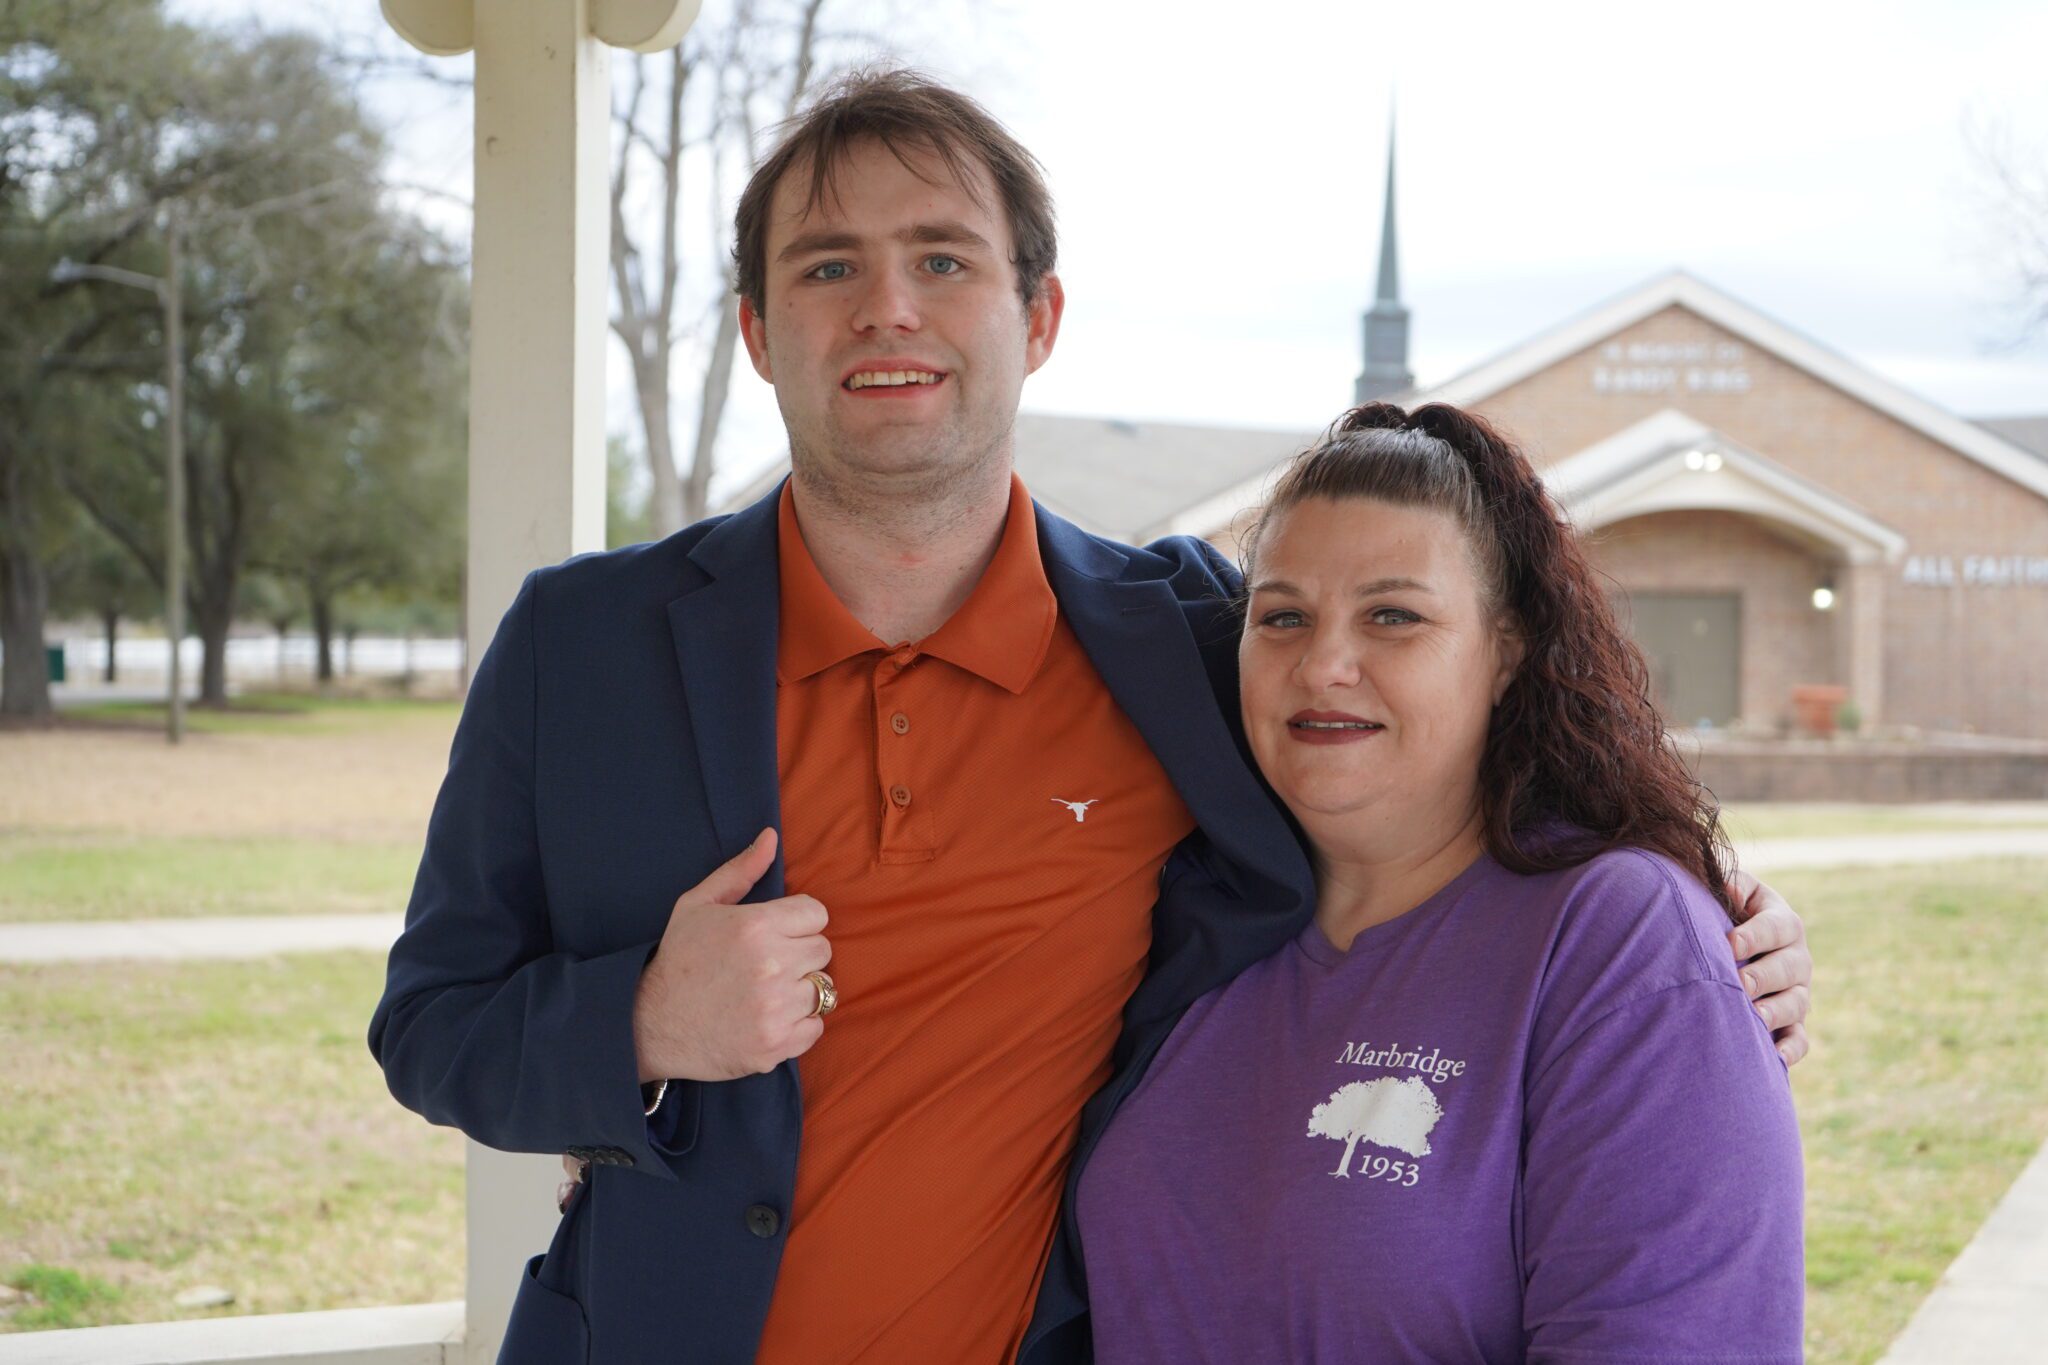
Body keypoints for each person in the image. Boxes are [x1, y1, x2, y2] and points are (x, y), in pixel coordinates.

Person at [368, 69, 1813, 1365]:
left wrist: (1700, 917)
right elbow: (431, 1025)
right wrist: (637, 1023)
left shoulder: (1184, 639)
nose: (889, 307)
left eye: (944, 258)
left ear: (1038, 317)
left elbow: (1411, 735)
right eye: (828, 267)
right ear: (757, 330)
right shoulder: (583, 646)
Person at [1078, 402, 1805, 1362]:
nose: (1324, 664)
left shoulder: (1615, 941)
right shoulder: (1185, 914)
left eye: (1394, 615)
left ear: (1507, 650)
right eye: (1283, 615)